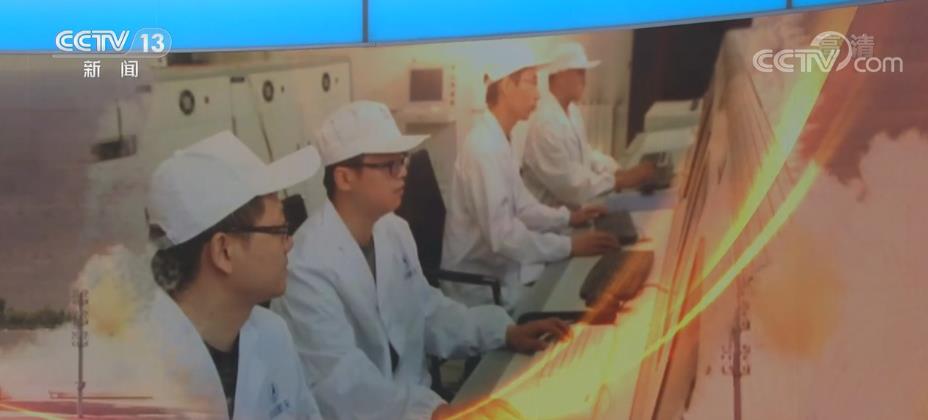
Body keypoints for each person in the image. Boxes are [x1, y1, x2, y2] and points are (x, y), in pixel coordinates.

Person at [272, 101, 569, 420]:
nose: (403, 173)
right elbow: (341, 382)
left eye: (403, 161)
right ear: (344, 178)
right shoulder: (305, 267)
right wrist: (435, 412)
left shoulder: (393, 230)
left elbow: (426, 311)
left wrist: (503, 331)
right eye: (389, 165)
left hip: (415, 406)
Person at [145, 131, 323, 419]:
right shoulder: (132, 376)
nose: (290, 243)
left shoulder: (272, 334)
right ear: (224, 251)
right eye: (280, 230)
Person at [442, 49, 619, 310]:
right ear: (506, 85)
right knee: (568, 300)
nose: (538, 94)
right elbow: (503, 236)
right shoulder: (483, 149)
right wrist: (569, 246)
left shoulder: (501, 138)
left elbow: (523, 206)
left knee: (571, 282)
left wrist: (569, 218)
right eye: (532, 82)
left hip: (503, 268)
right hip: (479, 287)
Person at [523, 42, 656, 209]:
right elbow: (569, 185)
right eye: (580, 72)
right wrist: (619, 181)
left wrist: (616, 171)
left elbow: (586, 155)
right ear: (560, 74)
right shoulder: (544, 124)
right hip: (551, 219)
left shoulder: (572, 111)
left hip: (572, 211)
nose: (585, 80)